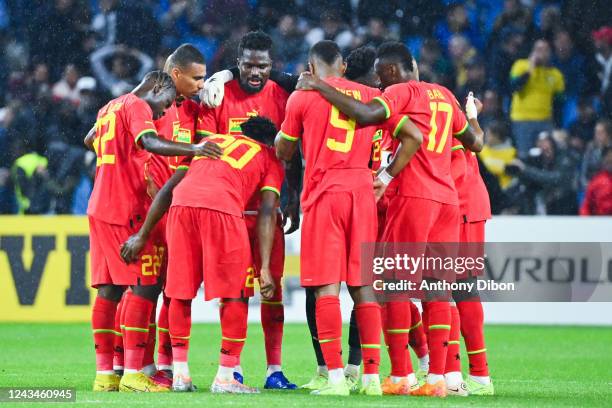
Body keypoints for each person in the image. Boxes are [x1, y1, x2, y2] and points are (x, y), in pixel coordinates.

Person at [295, 40, 483, 397]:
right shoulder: (443, 95)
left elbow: (367, 114)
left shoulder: (402, 94)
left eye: (382, 77)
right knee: (436, 289)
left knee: (392, 286)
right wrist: (472, 113)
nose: (380, 86)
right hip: (447, 199)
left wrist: (319, 84)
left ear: (393, 71)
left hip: (414, 197)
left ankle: (399, 374)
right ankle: (439, 378)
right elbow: (475, 142)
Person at [276, 40, 423, 397]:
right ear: (342, 67)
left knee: (327, 287)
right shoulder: (370, 95)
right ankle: (371, 378)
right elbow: (412, 136)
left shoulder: (302, 97)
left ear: (311, 69)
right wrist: (385, 177)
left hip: (324, 194)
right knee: (364, 287)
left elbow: (284, 150)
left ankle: (337, 378)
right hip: (362, 193)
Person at [122, 116, 284, 394]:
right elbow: (267, 211)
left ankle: (180, 374)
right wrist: (265, 266)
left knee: (179, 293)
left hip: (181, 209)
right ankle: (225, 376)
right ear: (269, 141)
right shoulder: (269, 156)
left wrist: (143, 234)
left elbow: (167, 190)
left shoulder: (210, 140)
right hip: (222, 209)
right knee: (236, 293)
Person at [86, 71, 221, 393]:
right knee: (144, 287)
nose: (162, 113)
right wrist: (194, 149)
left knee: (109, 291)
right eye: (162, 106)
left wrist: (120, 162)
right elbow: (147, 140)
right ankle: (133, 373)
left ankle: (105, 375)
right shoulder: (136, 106)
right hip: (125, 208)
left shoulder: (110, 106)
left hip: (99, 204)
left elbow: (89, 139)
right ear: (158, 87)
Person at [196, 31, 297, 389]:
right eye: (249, 65)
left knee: (273, 292)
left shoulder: (284, 97)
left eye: (263, 66)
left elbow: (294, 148)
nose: (256, 72)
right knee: (234, 292)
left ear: (272, 66)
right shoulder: (219, 94)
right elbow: (205, 146)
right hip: (231, 214)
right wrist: (220, 77)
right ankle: (231, 368)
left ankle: (274, 370)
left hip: (269, 211)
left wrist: (293, 197)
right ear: (239, 62)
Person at [111, 43, 208, 390]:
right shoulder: (145, 107)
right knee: (142, 288)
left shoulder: (194, 111)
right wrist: (133, 176)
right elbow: (102, 140)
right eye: (196, 78)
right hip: (146, 211)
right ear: (176, 74)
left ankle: (156, 364)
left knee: (172, 290)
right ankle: (133, 365)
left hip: (176, 212)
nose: (201, 85)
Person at [509, 39, 565, 156]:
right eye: (539, 50)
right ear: (533, 51)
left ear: (550, 53)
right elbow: (514, 87)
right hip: (522, 120)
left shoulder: (556, 74)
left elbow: (559, 103)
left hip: (545, 120)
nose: (542, 53)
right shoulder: (520, 65)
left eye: (545, 50)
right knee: (524, 154)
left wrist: (558, 126)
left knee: (547, 154)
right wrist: (530, 70)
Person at [580, 147, 612, 215]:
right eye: (608, 159)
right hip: (599, 220)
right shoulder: (596, 181)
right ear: (603, 160)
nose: (610, 160)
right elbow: (586, 205)